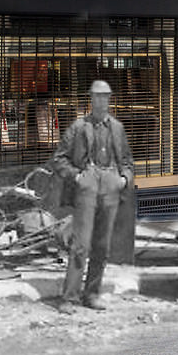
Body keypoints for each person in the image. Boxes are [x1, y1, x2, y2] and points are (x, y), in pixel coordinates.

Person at [50, 80, 135, 313]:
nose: (102, 101)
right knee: (81, 245)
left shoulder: (117, 128)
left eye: (106, 97)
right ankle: (69, 297)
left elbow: (127, 161)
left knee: (102, 245)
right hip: (87, 184)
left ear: (110, 99)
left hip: (110, 183)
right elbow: (59, 159)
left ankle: (92, 294)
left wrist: (124, 179)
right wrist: (77, 177)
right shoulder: (78, 127)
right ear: (90, 99)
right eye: (97, 97)